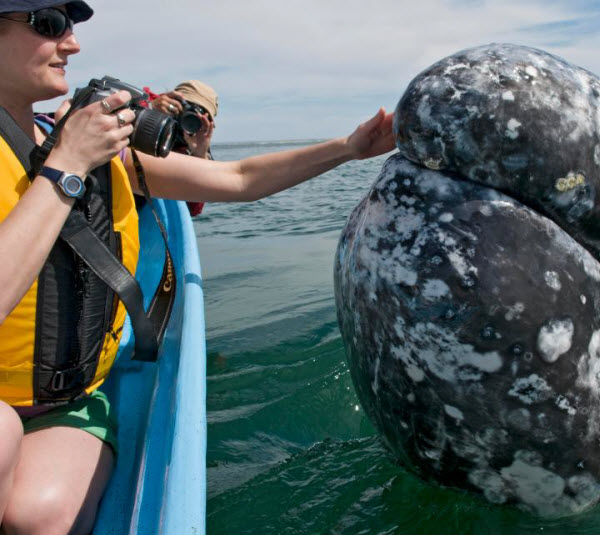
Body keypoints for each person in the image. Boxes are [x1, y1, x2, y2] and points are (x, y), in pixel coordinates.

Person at [0, 2, 395, 534]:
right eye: (48, 25)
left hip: (62, 401)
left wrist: (347, 149)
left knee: (39, 517)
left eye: (70, 29)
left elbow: (238, 178)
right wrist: (68, 164)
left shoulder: (102, 151)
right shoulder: (76, 152)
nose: (72, 44)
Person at [149, 79, 218, 215]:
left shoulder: (194, 149)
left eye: (199, 115)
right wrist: (150, 113)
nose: (189, 119)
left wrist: (199, 156)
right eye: (187, 108)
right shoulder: (145, 107)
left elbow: (192, 209)